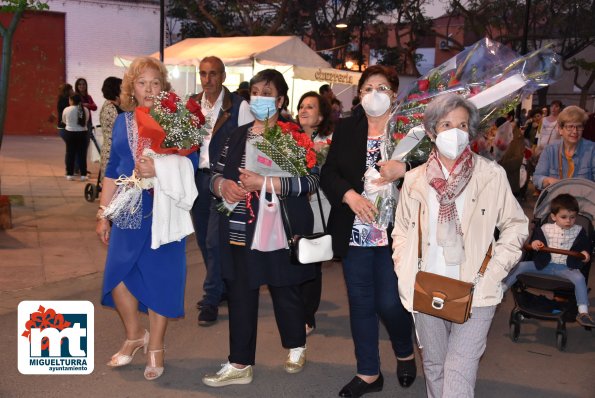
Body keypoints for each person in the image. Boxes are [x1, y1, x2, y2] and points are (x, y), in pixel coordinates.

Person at [392, 93, 528, 398]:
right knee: (436, 366)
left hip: (477, 290)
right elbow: (400, 231)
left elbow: (516, 226)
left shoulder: (490, 175)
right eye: (446, 124)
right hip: (426, 285)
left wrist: (494, 272)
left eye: (463, 124)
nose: (455, 131)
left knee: (459, 369)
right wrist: (404, 271)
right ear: (431, 132)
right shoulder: (415, 180)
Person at [202, 69, 317, 387]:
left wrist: (265, 182)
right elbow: (210, 173)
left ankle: (296, 344)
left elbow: (309, 181)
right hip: (238, 227)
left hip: (276, 229)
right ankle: (240, 363)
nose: (260, 98)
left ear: (280, 100)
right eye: (255, 92)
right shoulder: (236, 134)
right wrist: (222, 184)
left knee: (284, 287)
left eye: (267, 93)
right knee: (240, 292)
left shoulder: (288, 137)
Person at [96, 56, 198, 381]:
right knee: (117, 279)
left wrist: (160, 169)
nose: (149, 89)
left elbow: (192, 164)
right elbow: (112, 170)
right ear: (132, 88)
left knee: (161, 279)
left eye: (155, 83)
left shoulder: (176, 121)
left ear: (163, 86)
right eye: (142, 83)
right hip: (127, 209)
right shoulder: (122, 121)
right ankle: (134, 334)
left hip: (163, 210)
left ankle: (155, 345)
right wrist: (103, 213)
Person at [321, 65, 416, 398]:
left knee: (391, 302)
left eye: (382, 87)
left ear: (394, 93)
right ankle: (368, 373)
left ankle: (404, 351)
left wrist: (403, 169)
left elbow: (433, 169)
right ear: (359, 96)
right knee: (361, 303)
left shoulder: (410, 130)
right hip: (356, 230)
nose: (374, 93)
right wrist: (349, 195)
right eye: (367, 88)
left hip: (397, 232)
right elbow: (329, 172)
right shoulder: (347, 128)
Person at [190, 56, 253, 326]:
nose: (208, 80)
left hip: (223, 182)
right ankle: (222, 286)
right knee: (205, 239)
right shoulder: (190, 105)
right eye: (203, 74)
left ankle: (211, 299)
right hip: (196, 179)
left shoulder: (239, 106)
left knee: (216, 241)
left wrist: (239, 181)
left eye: (213, 74)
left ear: (223, 76)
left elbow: (249, 144)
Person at [502, 194, 594, 327]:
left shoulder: (579, 231)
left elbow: (585, 247)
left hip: (566, 268)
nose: (568, 221)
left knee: (579, 278)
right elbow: (535, 241)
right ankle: (503, 289)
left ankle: (583, 312)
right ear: (553, 217)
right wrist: (535, 244)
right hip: (544, 265)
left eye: (573, 217)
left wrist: (585, 254)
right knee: (521, 266)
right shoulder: (545, 229)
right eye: (564, 217)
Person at [296, 91, 334, 336]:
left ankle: (307, 315)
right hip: (293, 205)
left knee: (311, 261)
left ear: (321, 116)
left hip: (318, 204)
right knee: (292, 259)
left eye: (310, 106)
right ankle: (294, 310)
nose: (303, 110)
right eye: (301, 106)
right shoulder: (289, 139)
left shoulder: (329, 143)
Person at [533, 105, 595, 190]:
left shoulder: (592, 150)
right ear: (560, 129)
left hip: (584, 201)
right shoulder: (550, 150)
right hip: (557, 200)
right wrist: (548, 180)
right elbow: (537, 178)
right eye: (570, 127)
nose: (575, 131)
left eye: (579, 127)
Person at [99, 76, 123, 181]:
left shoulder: (115, 106)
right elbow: (122, 129)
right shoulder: (111, 108)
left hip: (114, 151)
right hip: (112, 153)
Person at [61, 94, 90, 181]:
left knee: (70, 153)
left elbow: (64, 120)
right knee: (82, 154)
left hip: (70, 133)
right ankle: (83, 175)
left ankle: (70, 174)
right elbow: (86, 120)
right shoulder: (85, 109)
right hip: (82, 133)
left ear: (71, 100)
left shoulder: (67, 109)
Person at [75, 77, 98, 174]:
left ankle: (82, 168)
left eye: (83, 84)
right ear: (77, 86)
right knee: (77, 147)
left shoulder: (88, 97)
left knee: (85, 147)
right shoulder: (75, 96)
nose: (82, 86)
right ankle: (76, 168)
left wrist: (87, 105)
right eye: (79, 84)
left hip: (88, 124)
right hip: (78, 124)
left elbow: (95, 107)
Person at [56, 83, 74, 173]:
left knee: (70, 148)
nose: (73, 91)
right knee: (71, 149)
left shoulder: (61, 100)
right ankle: (70, 170)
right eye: (71, 89)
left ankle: (72, 169)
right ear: (68, 91)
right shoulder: (67, 101)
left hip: (63, 127)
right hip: (66, 127)